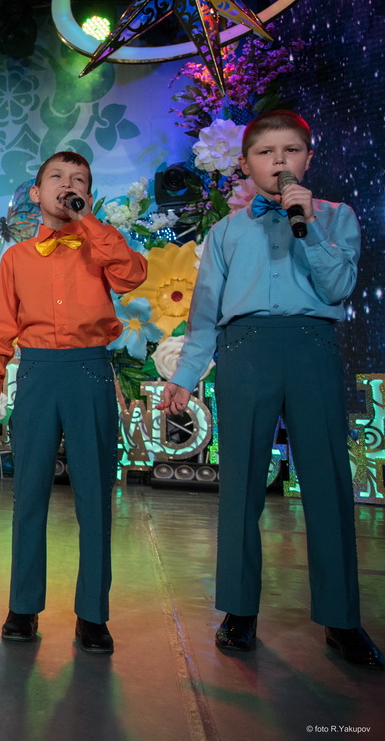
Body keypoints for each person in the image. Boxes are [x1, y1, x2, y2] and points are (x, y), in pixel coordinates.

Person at [158, 110, 381, 669]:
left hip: (312, 347)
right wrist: (184, 377)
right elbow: (205, 316)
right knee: (240, 482)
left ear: (308, 157)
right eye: (265, 152)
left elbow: (338, 286)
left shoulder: (337, 216)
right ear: (245, 164)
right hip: (245, 351)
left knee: (328, 482)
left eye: (291, 150)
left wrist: (309, 226)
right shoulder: (225, 231)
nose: (279, 161)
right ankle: (239, 610)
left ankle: (342, 619)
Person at [0, 151, 147, 653]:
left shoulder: (100, 246)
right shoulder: (16, 258)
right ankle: (23, 606)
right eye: (57, 177)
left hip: (89, 371)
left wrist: (88, 221)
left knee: (94, 497)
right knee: (28, 493)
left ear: (87, 195)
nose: (67, 184)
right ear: (36, 193)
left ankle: (92, 614)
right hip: (36, 375)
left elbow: (132, 275)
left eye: (79, 181)